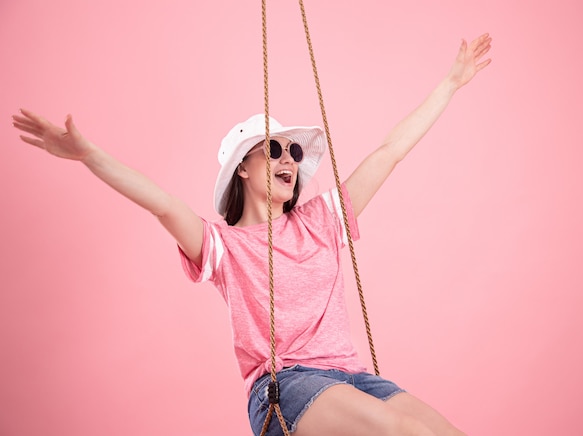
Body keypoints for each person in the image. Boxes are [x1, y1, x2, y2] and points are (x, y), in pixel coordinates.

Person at [12, 33, 492, 436]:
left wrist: (450, 84)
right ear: (243, 167)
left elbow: (389, 152)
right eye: (275, 149)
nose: (290, 159)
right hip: (287, 388)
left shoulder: (322, 220)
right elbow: (160, 203)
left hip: (354, 379)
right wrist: (89, 154)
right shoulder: (223, 247)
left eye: (294, 152)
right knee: (399, 433)